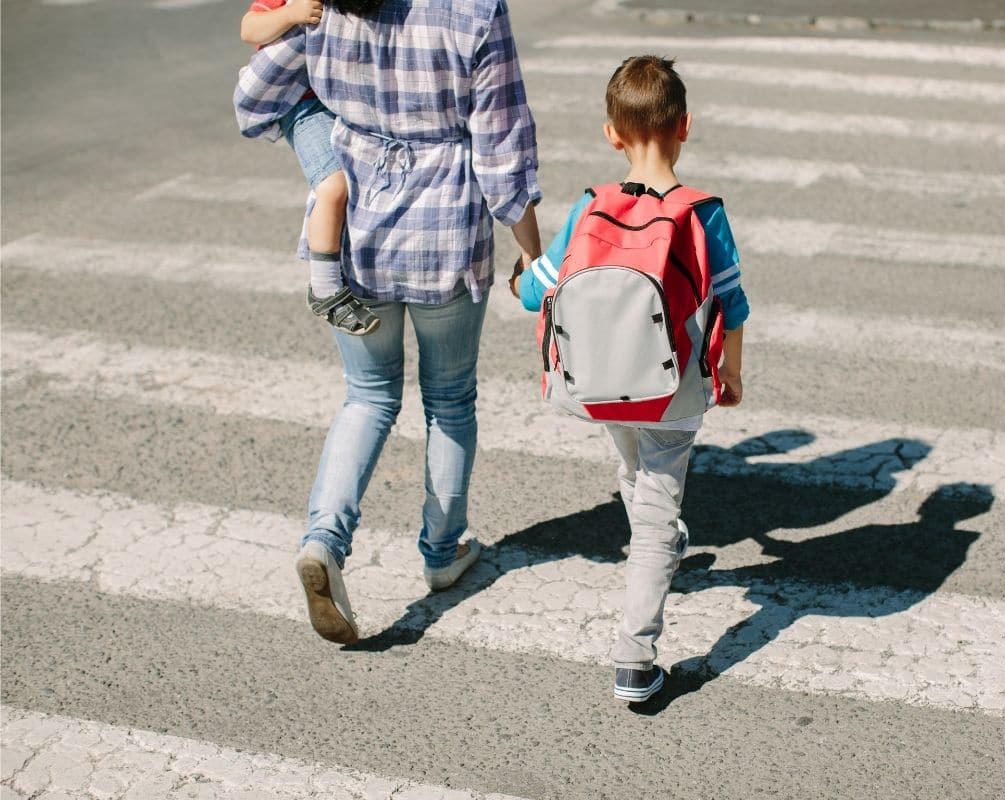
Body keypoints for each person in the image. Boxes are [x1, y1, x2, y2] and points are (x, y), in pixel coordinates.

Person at [234, 0, 542, 645]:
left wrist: (326, 148)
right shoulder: (474, 11)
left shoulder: (331, 4)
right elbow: (500, 144)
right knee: (450, 400)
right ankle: (441, 551)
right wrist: (532, 255)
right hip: (446, 232)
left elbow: (256, 96)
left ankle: (324, 540)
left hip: (354, 236)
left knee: (367, 398)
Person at [514, 55, 749, 703]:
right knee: (654, 513)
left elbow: (539, 292)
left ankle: (663, 540)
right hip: (671, 389)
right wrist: (731, 370)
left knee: (632, 475)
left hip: (599, 386)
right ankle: (634, 658)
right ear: (686, 127)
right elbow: (734, 304)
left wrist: (518, 279)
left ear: (611, 134)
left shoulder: (592, 207)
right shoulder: (703, 214)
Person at [239, 0, 378, 336]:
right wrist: (289, 14)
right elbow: (249, 28)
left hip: (348, 97)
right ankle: (326, 288)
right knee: (334, 184)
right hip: (301, 104)